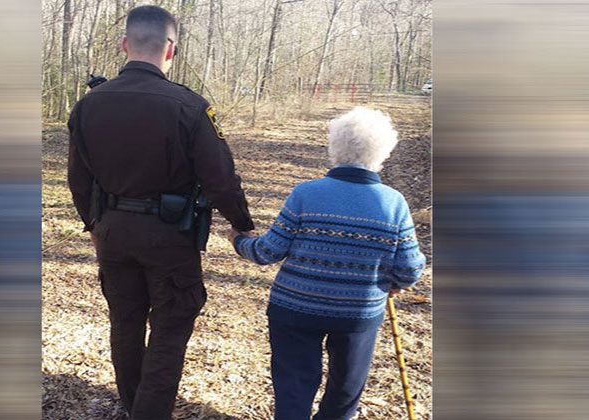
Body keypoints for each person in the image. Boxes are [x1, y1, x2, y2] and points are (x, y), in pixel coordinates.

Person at [67, 5, 254, 419]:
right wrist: (243, 226)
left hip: (112, 231)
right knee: (170, 328)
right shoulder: (188, 106)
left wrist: (93, 226)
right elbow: (221, 180)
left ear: (123, 45)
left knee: (126, 322)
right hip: (169, 237)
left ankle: (134, 406)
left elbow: (78, 179)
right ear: (171, 49)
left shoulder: (88, 104)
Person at [227, 107, 426, 420]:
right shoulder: (394, 203)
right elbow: (410, 269)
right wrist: (396, 283)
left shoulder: (306, 194)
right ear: (384, 151)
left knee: (293, 384)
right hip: (357, 313)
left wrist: (239, 240)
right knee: (345, 389)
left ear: (334, 147)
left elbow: (267, 251)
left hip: (294, 308)